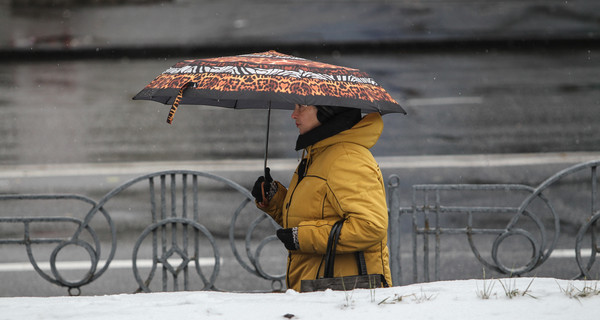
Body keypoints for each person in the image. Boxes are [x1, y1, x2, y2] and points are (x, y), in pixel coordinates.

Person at [252, 104, 392, 292]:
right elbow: (314, 214)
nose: (294, 114)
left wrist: (301, 237)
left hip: (345, 295)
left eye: (302, 107)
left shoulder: (346, 159)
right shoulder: (317, 154)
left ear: (328, 111)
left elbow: (370, 226)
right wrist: (274, 199)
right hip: (323, 288)